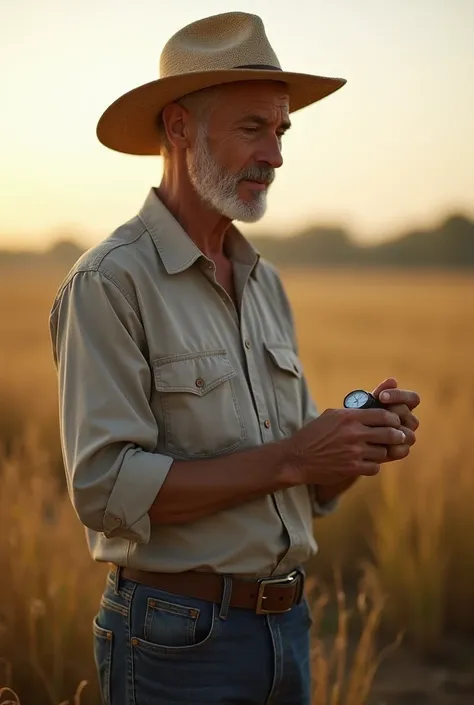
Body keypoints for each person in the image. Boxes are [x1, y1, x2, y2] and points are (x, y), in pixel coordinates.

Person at [49, 11, 420, 705]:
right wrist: (295, 458)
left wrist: (351, 445)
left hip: (287, 627)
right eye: (254, 127)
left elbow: (299, 481)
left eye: (281, 131)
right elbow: (102, 489)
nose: (276, 154)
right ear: (179, 128)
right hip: (174, 639)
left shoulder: (264, 280)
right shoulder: (109, 283)